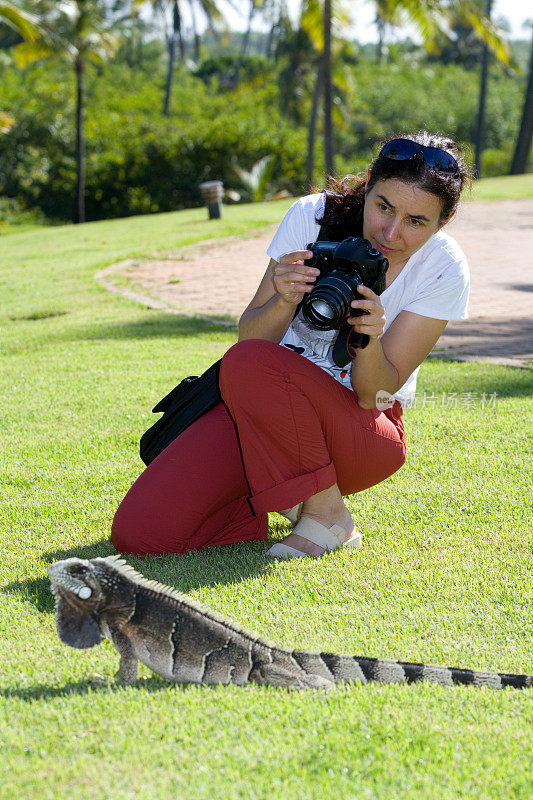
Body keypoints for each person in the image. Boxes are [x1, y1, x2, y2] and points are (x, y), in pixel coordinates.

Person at [111, 131, 470, 559]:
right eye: (383, 207)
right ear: (368, 184)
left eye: (416, 222)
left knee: (248, 364)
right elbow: (253, 339)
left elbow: (375, 395)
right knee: (141, 534)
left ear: (442, 222)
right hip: (263, 413)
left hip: (362, 430)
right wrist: (284, 298)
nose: (390, 233)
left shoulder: (443, 266)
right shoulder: (314, 217)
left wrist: (370, 341)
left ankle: (325, 514)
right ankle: (276, 500)